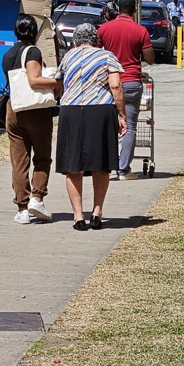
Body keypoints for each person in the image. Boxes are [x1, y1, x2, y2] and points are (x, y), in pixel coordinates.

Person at [55, 23, 127, 230]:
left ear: (75, 41)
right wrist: (122, 114)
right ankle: (97, 212)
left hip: (71, 111)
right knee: (101, 164)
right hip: (100, 110)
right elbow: (115, 85)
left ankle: (78, 216)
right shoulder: (107, 56)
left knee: (73, 166)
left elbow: (59, 84)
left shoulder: (68, 57)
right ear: (96, 40)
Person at [3, 14, 60, 225]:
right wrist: (57, 81)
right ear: (33, 31)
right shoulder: (33, 51)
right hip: (35, 110)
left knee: (19, 160)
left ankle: (22, 208)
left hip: (14, 109)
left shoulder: (8, 54)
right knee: (42, 156)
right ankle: (37, 198)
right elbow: (34, 79)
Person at [97, 0, 155, 180]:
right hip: (131, 82)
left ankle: (105, 167)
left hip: (108, 84)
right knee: (129, 126)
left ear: (118, 8)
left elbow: (96, 54)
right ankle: (123, 170)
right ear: (135, 9)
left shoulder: (104, 29)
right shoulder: (140, 31)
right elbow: (150, 59)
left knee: (109, 126)